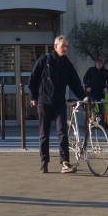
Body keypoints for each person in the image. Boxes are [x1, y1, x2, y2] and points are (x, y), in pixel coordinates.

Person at [28, 35, 86, 174]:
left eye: (67, 46)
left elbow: (75, 83)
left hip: (59, 103)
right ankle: (44, 162)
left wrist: (84, 97)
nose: (65, 49)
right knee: (44, 133)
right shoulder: (45, 60)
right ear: (55, 46)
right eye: (63, 46)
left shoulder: (67, 64)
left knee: (63, 132)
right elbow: (33, 79)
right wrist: (33, 96)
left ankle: (65, 162)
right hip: (44, 102)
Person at [82, 57, 108, 129]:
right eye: (97, 63)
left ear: (102, 64)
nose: (99, 65)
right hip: (92, 93)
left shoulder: (105, 71)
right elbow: (85, 78)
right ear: (95, 64)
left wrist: (107, 88)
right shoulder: (91, 70)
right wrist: (87, 86)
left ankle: (101, 124)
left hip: (101, 93)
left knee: (101, 109)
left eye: (100, 64)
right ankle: (92, 124)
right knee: (91, 109)